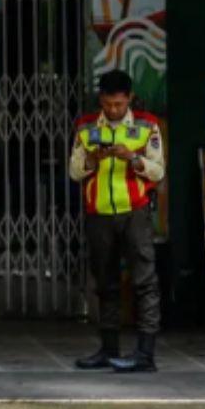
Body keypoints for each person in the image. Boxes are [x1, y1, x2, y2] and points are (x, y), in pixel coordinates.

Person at [67, 69, 165, 373]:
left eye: (119, 104)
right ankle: (108, 350)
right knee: (105, 282)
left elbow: (158, 170)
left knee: (144, 282)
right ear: (101, 100)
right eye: (108, 104)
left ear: (129, 99)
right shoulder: (86, 127)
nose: (113, 110)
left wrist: (132, 158)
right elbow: (74, 172)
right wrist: (92, 161)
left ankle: (145, 354)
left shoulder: (147, 126)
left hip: (134, 212)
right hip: (99, 213)